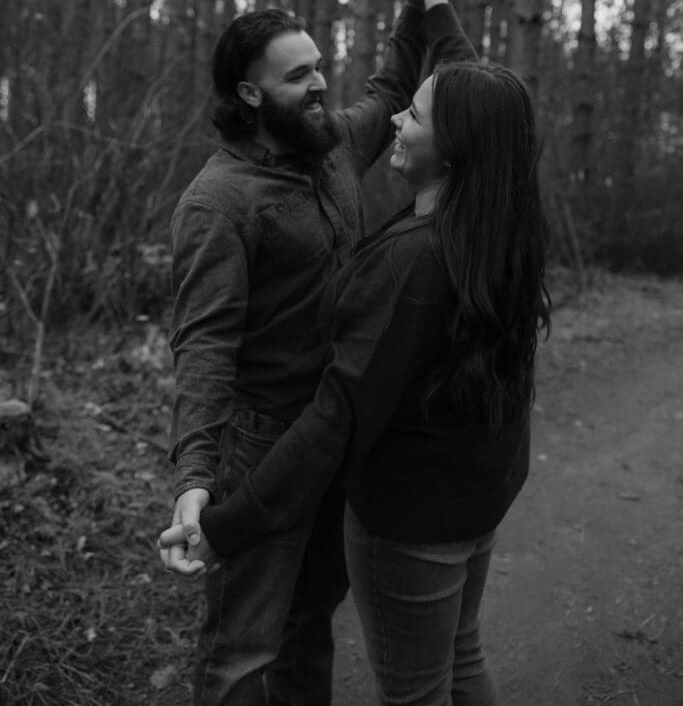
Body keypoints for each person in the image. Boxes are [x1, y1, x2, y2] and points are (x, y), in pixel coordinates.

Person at [159, 52, 551, 706]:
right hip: (478, 494)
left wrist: (224, 526)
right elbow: (205, 338)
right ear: (250, 93)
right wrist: (427, 1)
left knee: (415, 689)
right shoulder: (499, 226)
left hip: (411, 517)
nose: (397, 116)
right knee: (460, 652)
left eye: (417, 114)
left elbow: (333, 421)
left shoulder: (409, 262)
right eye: (299, 73)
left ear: (455, 144)